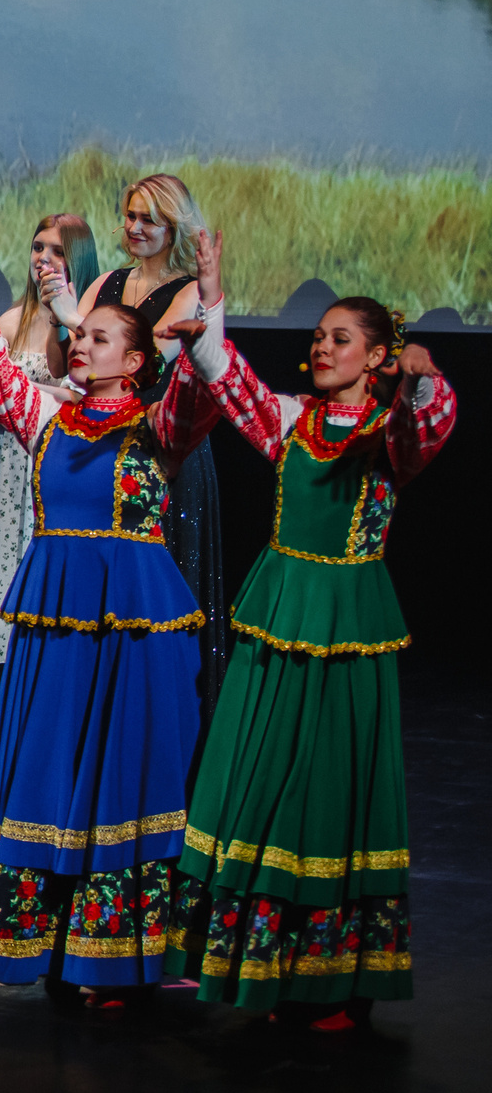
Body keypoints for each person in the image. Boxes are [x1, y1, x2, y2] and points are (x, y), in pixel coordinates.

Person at [165, 233, 455, 1030]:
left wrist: (422, 380)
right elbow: (228, 375)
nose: (321, 348)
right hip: (281, 608)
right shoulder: (294, 420)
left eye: (340, 339)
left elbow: (424, 428)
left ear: (375, 357)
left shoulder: (387, 432)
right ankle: (261, 961)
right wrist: (216, 285)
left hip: (346, 623)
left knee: (330, 785)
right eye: (319, 336)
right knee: (259, 777)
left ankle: (334, 978)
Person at [0, 202, 216, 1001]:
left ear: (132, 362)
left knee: (122, 777)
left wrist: (209, 315)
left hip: (133, 629)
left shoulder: (159, 428)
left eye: (98, 336)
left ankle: (119, 955)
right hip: (58, 626)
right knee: (51, 771)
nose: (80, 341)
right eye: (81, 332)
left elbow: (201, 395)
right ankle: (50, 945)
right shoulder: (51, 418)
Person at [42, 174, 227, 710]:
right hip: (100, 442)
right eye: (130, 216)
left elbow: (151, 359)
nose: (135, 227)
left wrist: (73, 318)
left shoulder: (192, 291)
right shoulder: (107, 283)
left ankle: (157, 704)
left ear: (174, 226)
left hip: (159, 444)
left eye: (149, 218)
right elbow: (77, 368)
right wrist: (65, 329)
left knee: (160, 573)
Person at [0, 214, 99, 694]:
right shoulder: (11, 321)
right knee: (8, 574)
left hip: (67, 466)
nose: (44, 259)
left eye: (58, 251)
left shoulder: (88, 323)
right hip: (13, 467)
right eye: (38, 248)